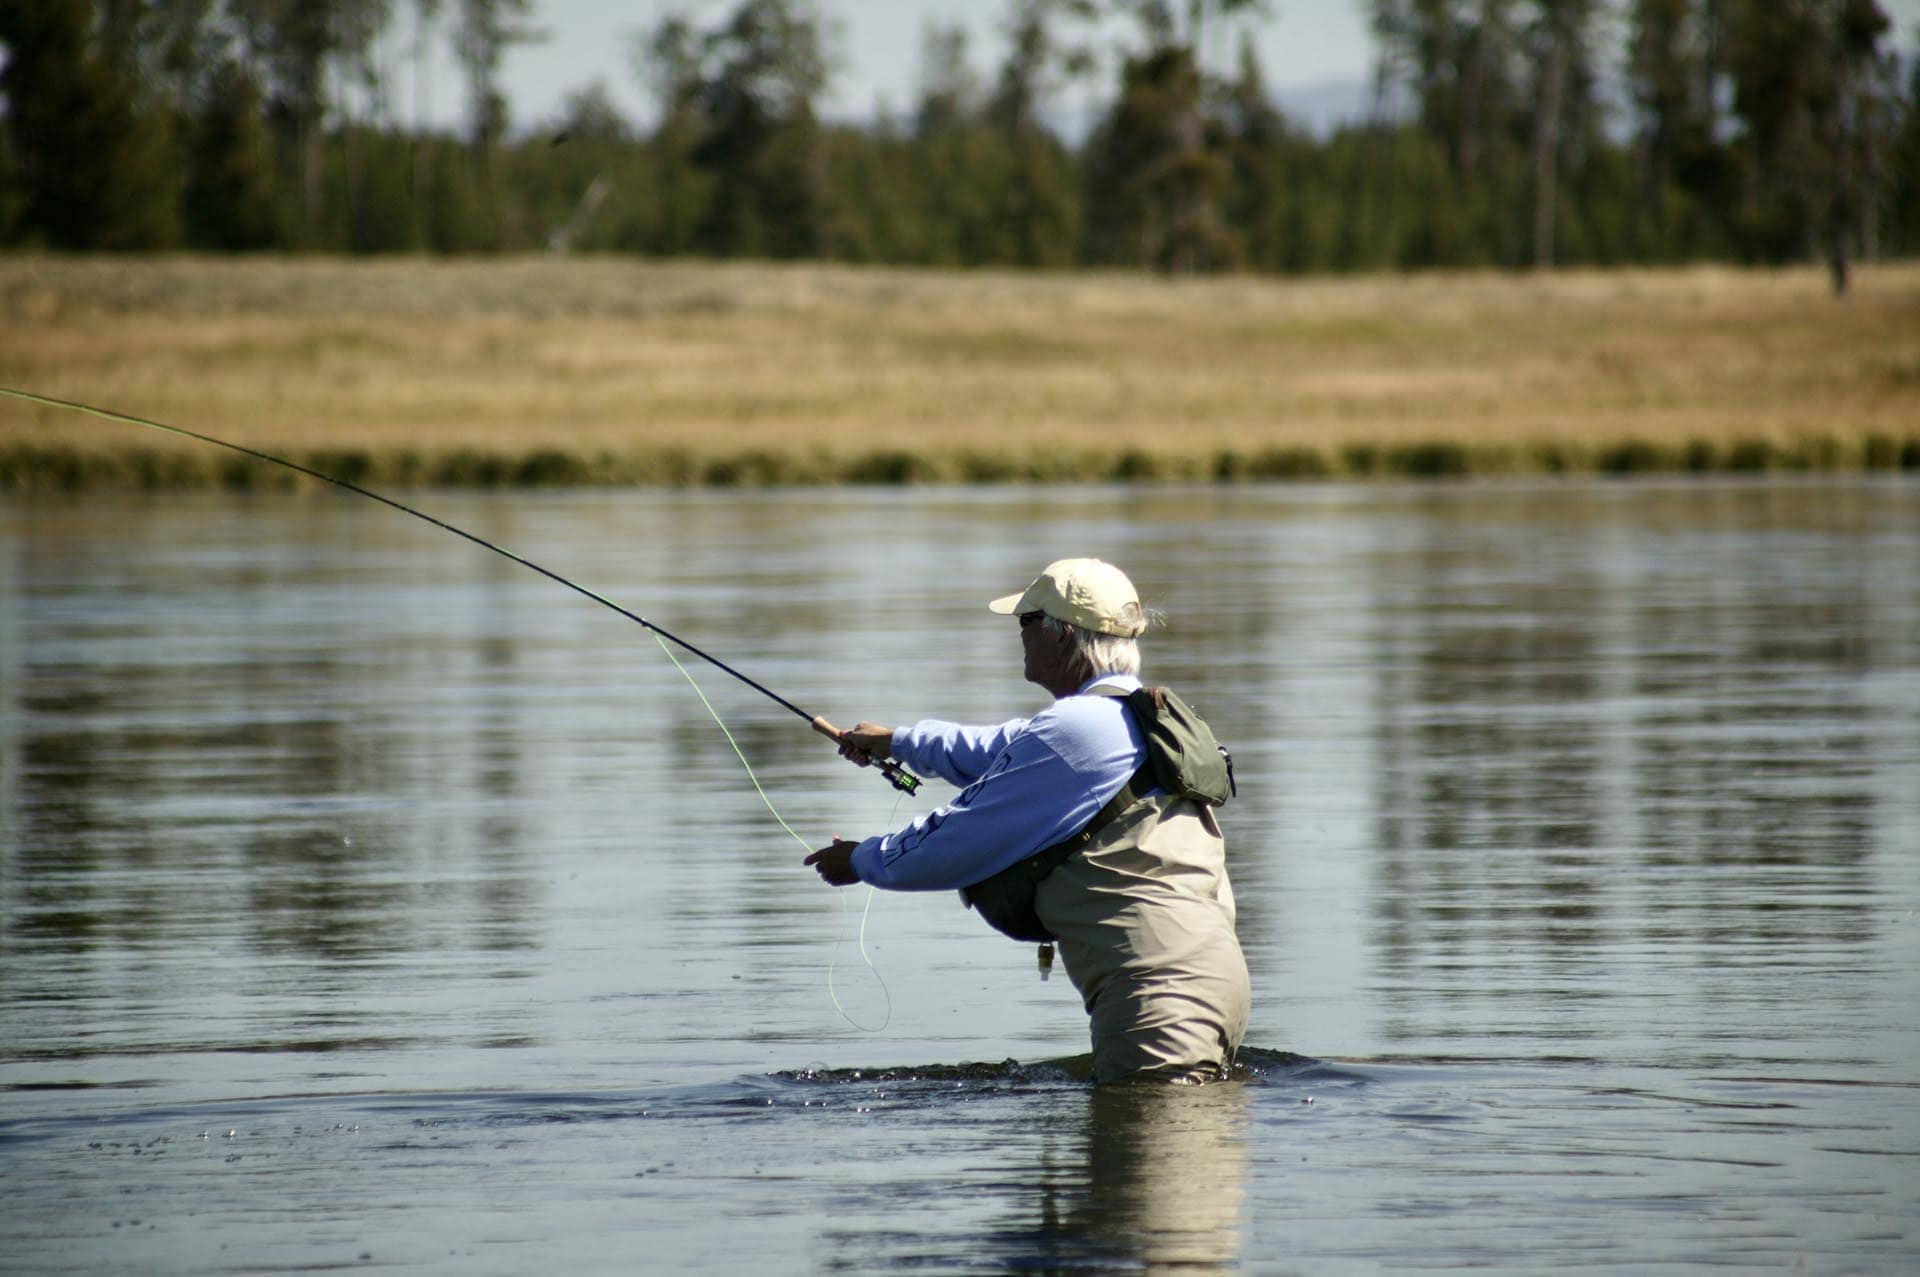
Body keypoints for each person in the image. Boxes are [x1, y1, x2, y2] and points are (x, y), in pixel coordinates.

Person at [804, 558, 1250, 1083]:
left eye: (1026, 622)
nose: (1019, 635)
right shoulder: (1127, 716)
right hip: (1213, 982)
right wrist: (898, 742)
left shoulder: (1073, 732)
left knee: (1152, 1138)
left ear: (1063, 637)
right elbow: (1001, 748)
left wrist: (859, 859)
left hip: (1157, 997)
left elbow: (960, 836)